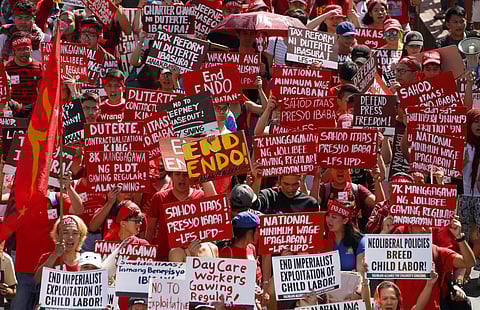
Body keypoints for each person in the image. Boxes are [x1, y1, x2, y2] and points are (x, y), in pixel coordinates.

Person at [146, 172, 217, 260]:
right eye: (177, 174)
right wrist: (146, 254)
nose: (182, 178)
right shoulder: (159, 197)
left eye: (186, 175)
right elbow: (150, 230)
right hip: (164, 256)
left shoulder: (201, 196)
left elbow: (216, 208)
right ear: (171, 176)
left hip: (195, 254)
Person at [34, 215, 88, 282]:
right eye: (65, 233)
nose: (70, 237)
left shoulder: (87, 260)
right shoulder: (47, 258)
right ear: (57, 235)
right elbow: (37, 280)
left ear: (80, 236)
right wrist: (55, 255)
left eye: (75, 233)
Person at [5, 31, 42, 119]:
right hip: (13, 114)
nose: (23, 52)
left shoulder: (40, 67)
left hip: (35, 113)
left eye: (26, 48)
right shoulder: (6, 69)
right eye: (19, 49)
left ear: (31, 49)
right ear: (14, 51)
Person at [325, 200, 365, 271]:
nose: (329, 220)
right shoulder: (323, 238)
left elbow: (361, 273)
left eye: (334, 217)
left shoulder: (359, 241)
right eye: (328, 215)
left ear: (345, 220)